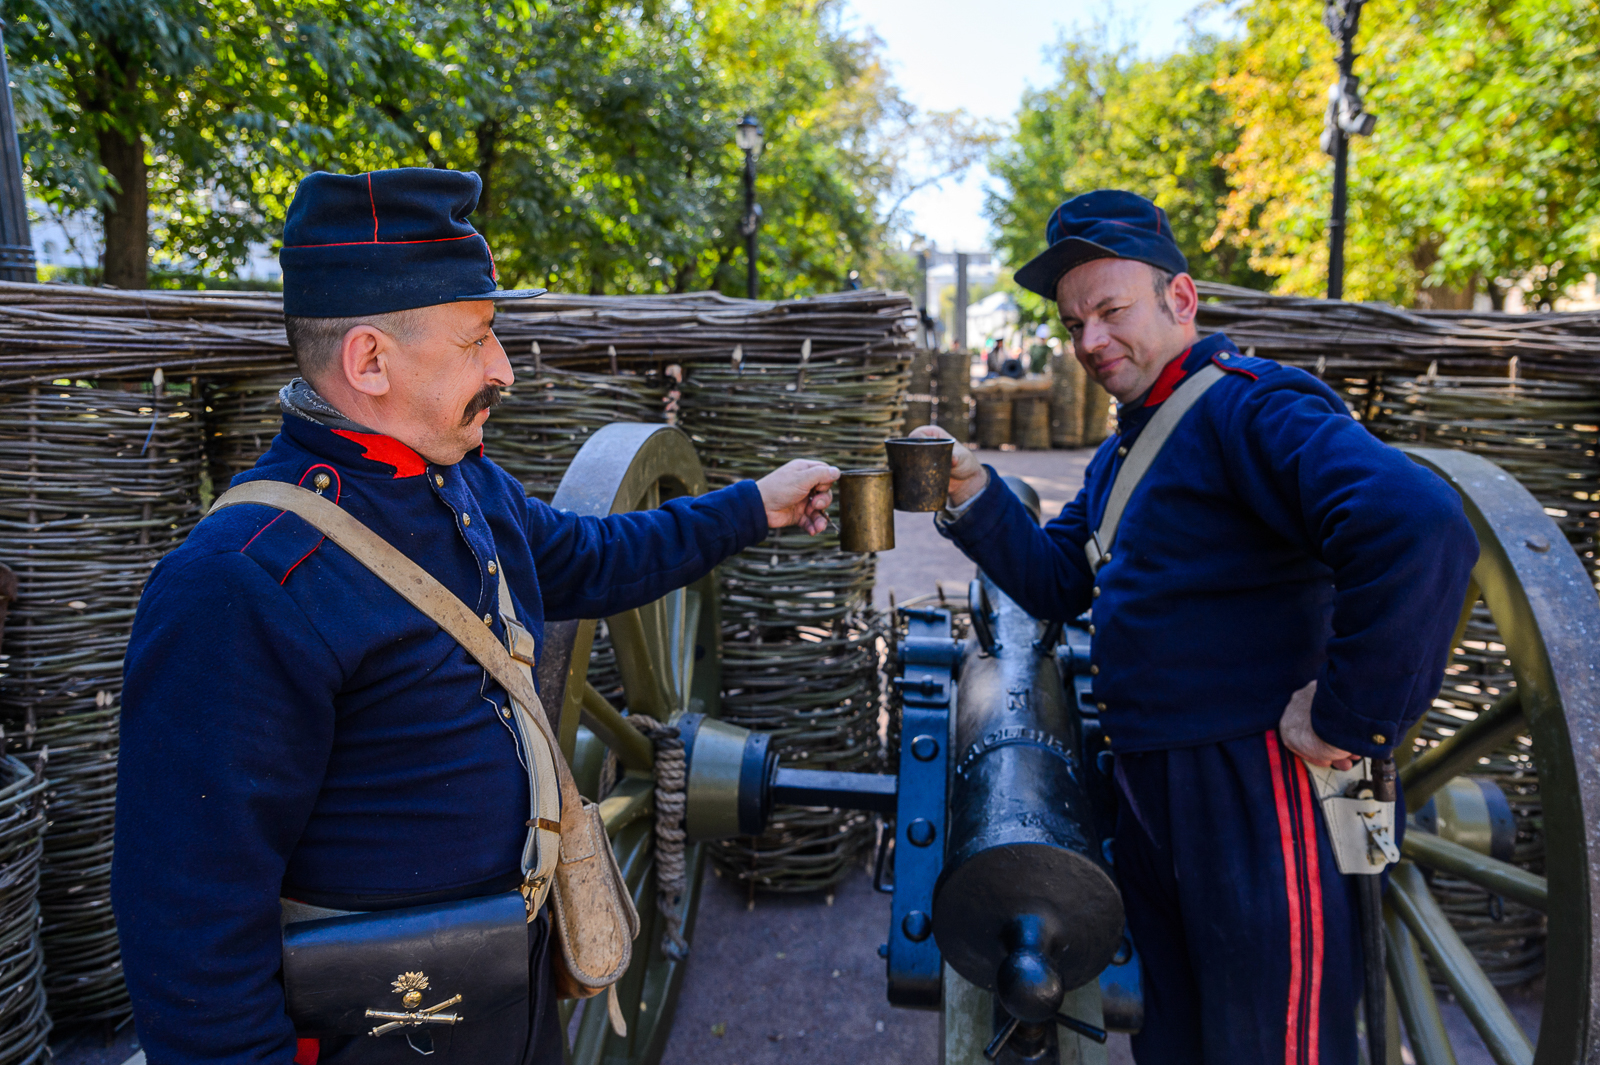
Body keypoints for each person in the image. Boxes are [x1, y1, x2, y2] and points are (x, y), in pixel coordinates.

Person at [111, 168, 840, 1065]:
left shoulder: (461, 481)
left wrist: (753, 506)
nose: (501, 369)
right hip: (385, 1032)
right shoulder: (239, 582)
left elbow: (590, 557)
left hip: (514, 994)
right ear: (370, 360)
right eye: (477, 339)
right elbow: (191, 937)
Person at [911, 189, 1477, 1065]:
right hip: (1153, 788)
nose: (1091, 341)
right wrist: (977, 494)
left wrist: (1346, 717)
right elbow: (1059, 581)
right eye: (1074, 324)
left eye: (1110, 310)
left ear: (1181, 300)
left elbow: (1419, 524)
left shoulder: (1253, 408)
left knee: (1267, 1046)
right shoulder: (1121, 453)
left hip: (1254, 790)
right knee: (1177, 1041)